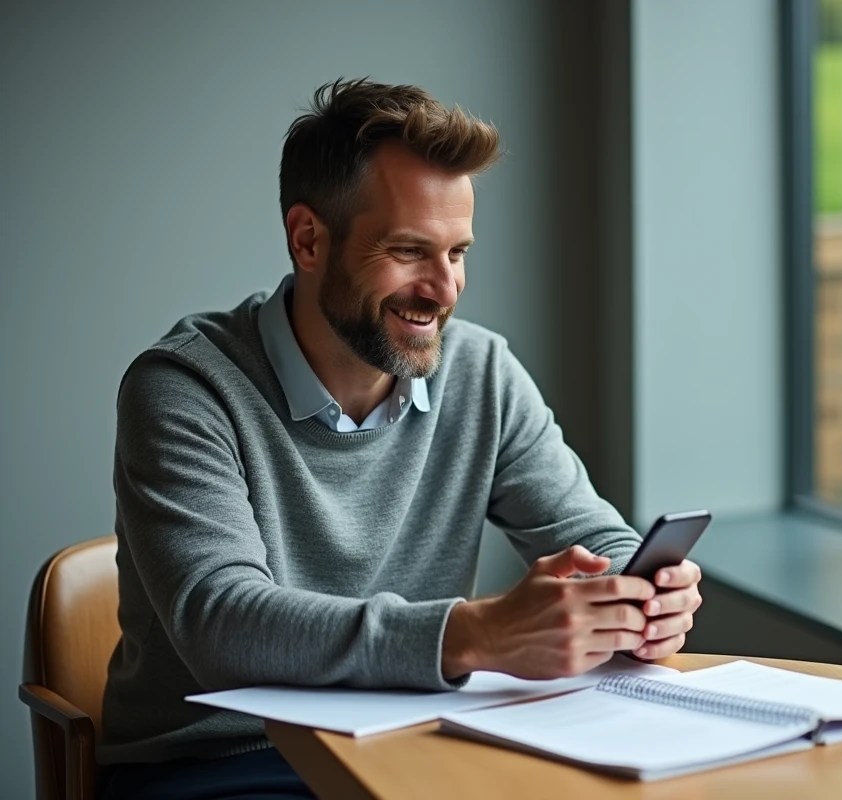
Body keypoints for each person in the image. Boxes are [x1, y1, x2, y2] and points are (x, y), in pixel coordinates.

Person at [96, 78, 703, 799]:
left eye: (457, 253)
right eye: (411, 251)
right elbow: (223, 628)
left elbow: (591, 538)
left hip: (421, 746)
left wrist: (639, 596)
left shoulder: (481, 371)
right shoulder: (186, 389)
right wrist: (475, 635)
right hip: (224, 765)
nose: (444, 290)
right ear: (308, 238)